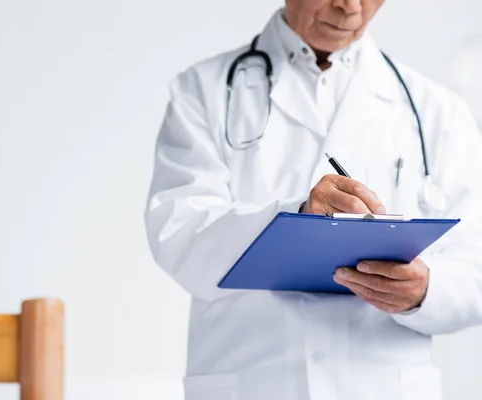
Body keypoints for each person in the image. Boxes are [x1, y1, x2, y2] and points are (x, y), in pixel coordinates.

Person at [144, 1, 482, 399]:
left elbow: (474, 267)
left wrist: (424, 291)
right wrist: (295, 218)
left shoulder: (437, 112)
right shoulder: (203, 91)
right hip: (257, 382)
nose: (349, 8)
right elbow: (178, 232)